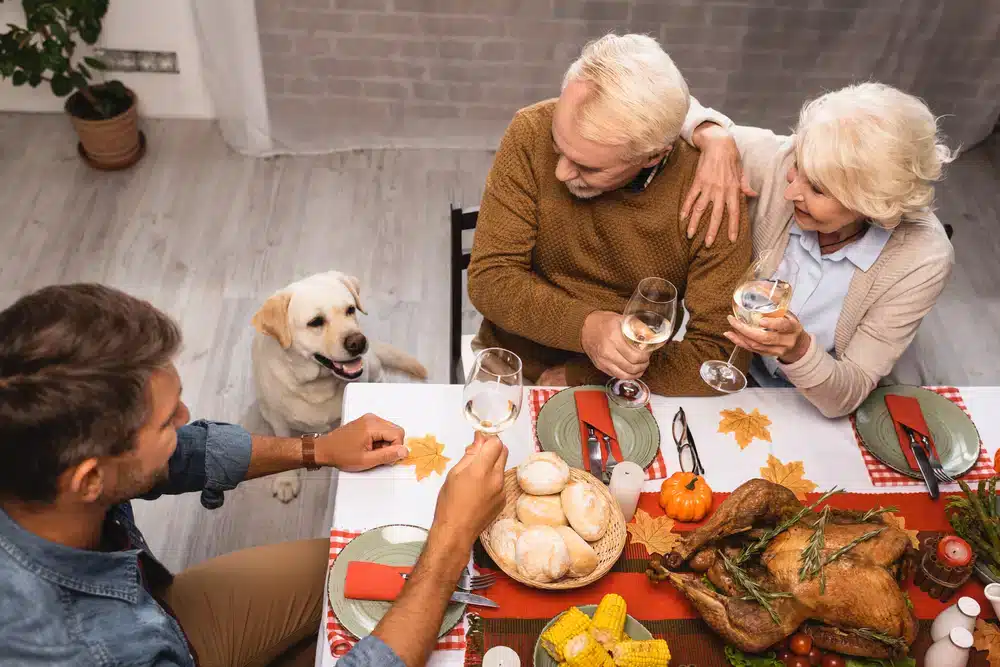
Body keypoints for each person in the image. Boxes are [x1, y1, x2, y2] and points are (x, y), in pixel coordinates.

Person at [0, 283, 507, 667]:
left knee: (366, 564)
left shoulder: (38, 454)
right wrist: (452, 539)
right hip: (143, 642)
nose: (187, 419)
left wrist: (318, 449)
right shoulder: (78, 648)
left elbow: (186, 453)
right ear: (89, 480)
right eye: (166, 420)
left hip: (164, 611)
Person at [467, 33, 752, 394]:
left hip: (632, 378)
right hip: (512, 364)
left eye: (588, 167)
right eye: (558, 148)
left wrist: (589, 374)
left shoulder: (709, 186)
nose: (561, 174)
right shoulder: (530, 132)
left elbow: (721, 356)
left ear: (653, 156)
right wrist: (586, 328)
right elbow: (490, 280)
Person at [679, 82, 955, 417]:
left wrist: (798, 350)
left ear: (871, 204)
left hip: (809, 405)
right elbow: (669, 102)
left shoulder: (923, 257)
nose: (791, 191)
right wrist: (715, 139)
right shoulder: (780, 164)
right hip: (723, 375)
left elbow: (847, 394)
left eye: (817, 189)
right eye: (799, 169)